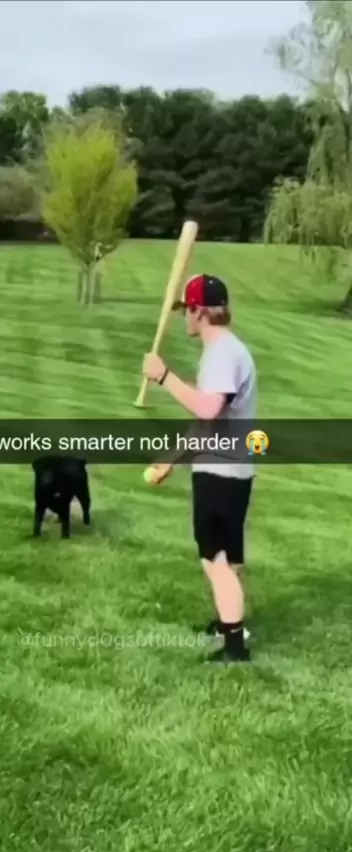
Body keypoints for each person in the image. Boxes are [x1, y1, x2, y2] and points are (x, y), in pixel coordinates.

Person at [142, 273, 257, 664]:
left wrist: (163, 376)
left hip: (221, 473)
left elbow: (208, 409)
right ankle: (228, 623)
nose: (184, 319)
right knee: (228, 557)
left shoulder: (222, 354)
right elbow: (208, 424)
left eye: (186, 311)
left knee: (215, 558)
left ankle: (235, 647)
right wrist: (172, 460)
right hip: (232, 469)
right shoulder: (227, 351)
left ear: (200, 311)